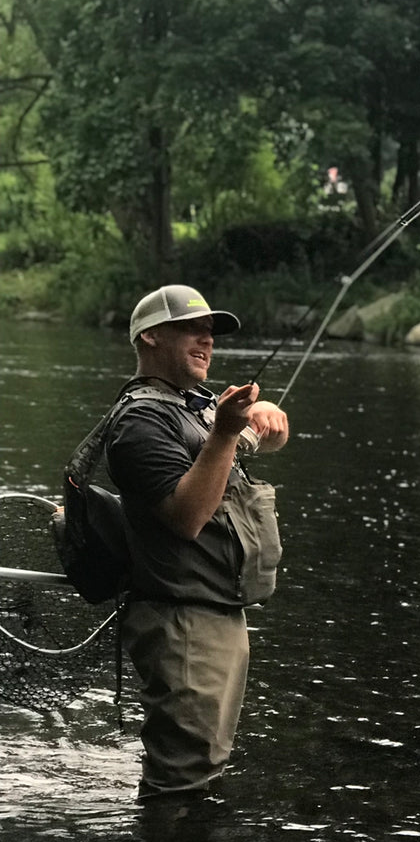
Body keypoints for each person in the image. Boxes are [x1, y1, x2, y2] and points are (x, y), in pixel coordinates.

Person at [105, 284, 289, 802]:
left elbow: (260, 439)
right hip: (181, 621)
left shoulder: (197, 407)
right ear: (151, 337)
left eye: (211, 330)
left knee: (204, 767)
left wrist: (264, 419)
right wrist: (228, 434)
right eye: (193, 327)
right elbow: (186, 517)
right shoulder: (140, 421)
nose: (207, 338)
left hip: (217, 612)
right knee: (182, 783)